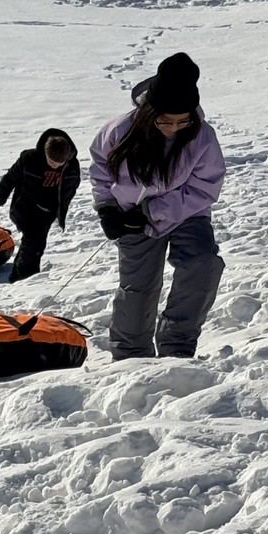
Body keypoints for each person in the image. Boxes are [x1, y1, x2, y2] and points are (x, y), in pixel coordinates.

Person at [89, 52, 225, 360]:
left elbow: (205, 187)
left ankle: (177, 344)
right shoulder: (120, 130)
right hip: (130, 216)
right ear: (150, 111)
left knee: (202, 264)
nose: (173, 128)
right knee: (138, 288)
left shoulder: (202, 136)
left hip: (186, 213)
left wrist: (153, 211)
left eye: (182, 121)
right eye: (165, 120)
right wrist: (107, 208)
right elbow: (100, 169)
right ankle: (130, 356)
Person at [0, 128, 81, 283]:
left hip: (48, 212)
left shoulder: (71, 167)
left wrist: (61, 208)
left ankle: (20, 275)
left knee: (36, 244)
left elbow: (71, 187)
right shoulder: (29, 159)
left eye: (59, 164)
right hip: (25, 206)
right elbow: (10, 177)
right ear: (45, 153)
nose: (55, 166)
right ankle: (25, 278)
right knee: (33, 242)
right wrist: (1, 196)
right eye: (51, 162)